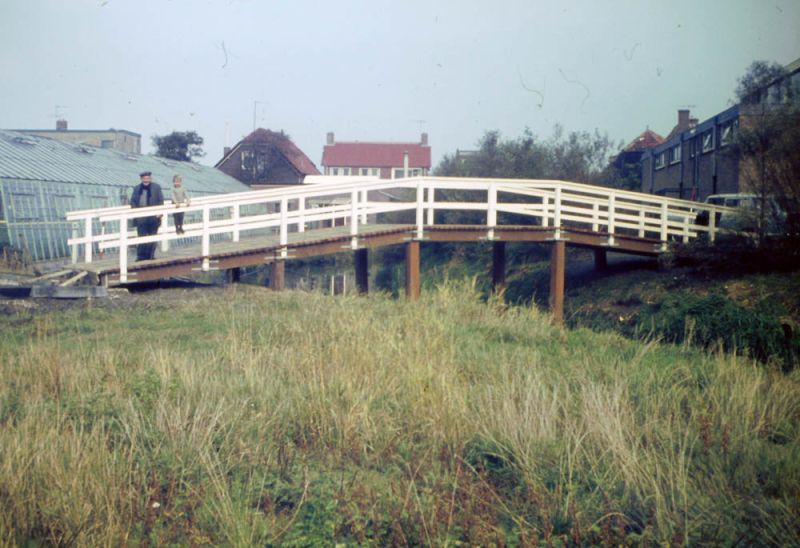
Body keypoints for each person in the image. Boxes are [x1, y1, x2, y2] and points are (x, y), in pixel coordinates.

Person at [130, 171, 164, 260]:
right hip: (141, 216)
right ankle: (141, 256)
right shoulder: (137, 188)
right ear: (141, 179)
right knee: (141, 235)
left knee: (153, 235)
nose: (146, 179)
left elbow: (161, 200)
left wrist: (160, 213)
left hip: (153, 216)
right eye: (144, 178)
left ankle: (151, 255)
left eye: (148, 178)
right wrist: (136, 213)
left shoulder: (156, 187)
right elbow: (133, 201)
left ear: (150, 178)